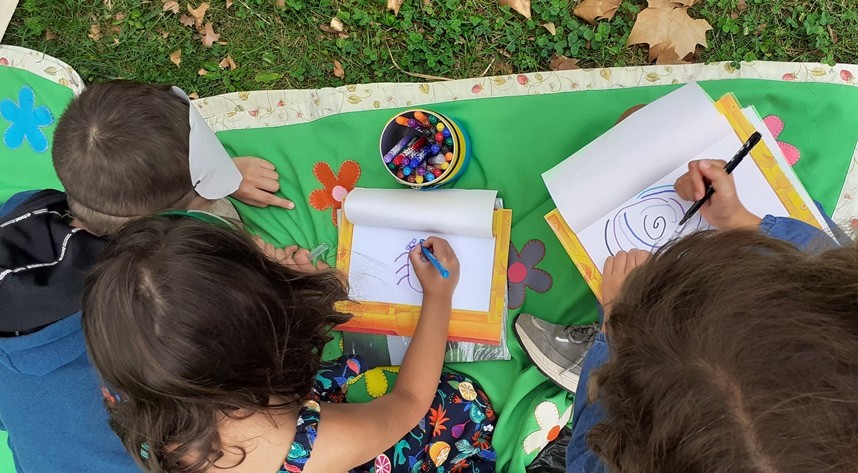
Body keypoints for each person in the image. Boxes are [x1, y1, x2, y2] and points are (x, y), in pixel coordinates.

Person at [525, 159, 858, 472]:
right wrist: (746, 222)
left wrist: (615, 322)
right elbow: (831, 267)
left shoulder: (605, 457)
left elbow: (596, 430)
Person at [0, 80, 307, 472]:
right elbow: (253, 343)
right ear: (170, 228)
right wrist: (287, 281)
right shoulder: (165, 299)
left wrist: (214, 179)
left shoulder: (25, 213)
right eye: (205, 198)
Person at [81, 216, 498, 473]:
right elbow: (410, 401)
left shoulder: (143, 395)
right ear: (268, 342)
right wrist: (439, 296)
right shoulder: (310, 447)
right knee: (460, 405)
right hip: (360, 443)